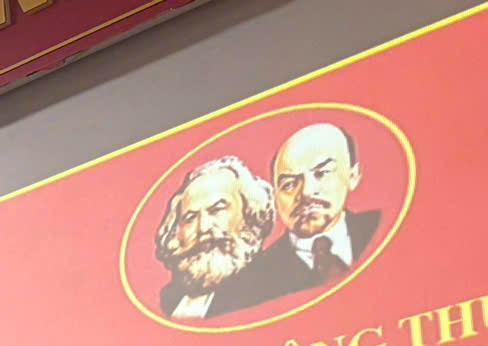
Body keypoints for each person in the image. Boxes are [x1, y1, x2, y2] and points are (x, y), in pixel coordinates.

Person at [229, 121, 383, 303]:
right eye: (289, 184)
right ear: (275, 197)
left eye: (321, 173)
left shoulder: (383, 228)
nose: (306, 192)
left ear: (352, 176)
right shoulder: (252, 279)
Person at [152, 155, 278, 321]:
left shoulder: (271, 284)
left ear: (249, 213)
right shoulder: (169, 299)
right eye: (190, 218)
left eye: (217, 210)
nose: (203, 227)